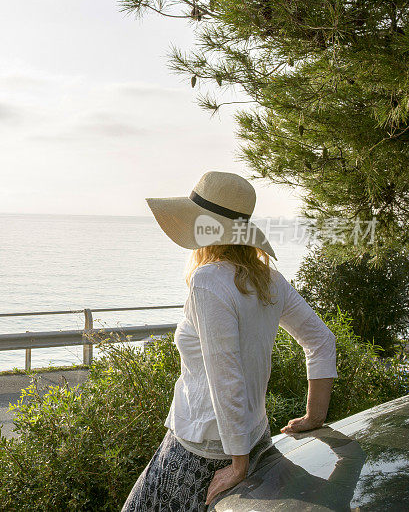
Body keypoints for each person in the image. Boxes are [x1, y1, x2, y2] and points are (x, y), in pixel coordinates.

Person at [121, 171, 338, 512]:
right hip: (254, 440)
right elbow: (322, 340)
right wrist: (315, 415)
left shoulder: (208, 280)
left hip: (202, 452)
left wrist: (237, 466)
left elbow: (226, 377)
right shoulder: (269, 279)